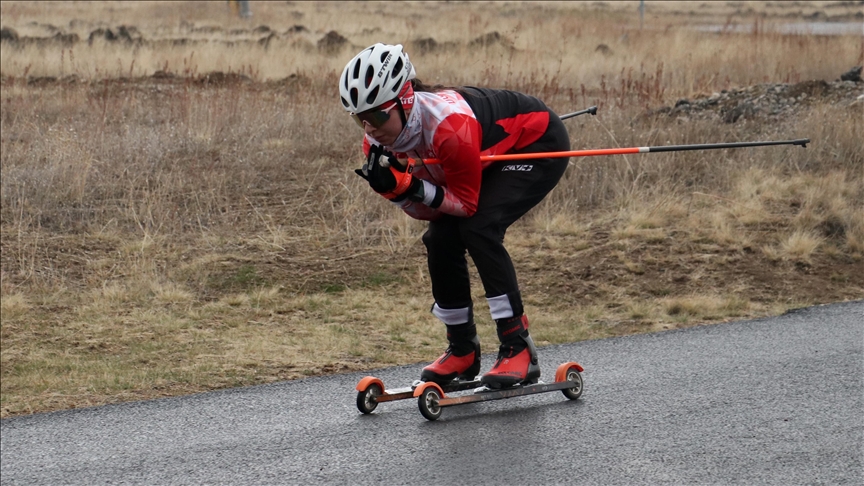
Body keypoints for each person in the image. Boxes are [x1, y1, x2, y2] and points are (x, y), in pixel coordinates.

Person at [339, 43, 570, 389]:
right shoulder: (376, 144)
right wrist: (396, 192)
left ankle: (517, 347)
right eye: (360, 118)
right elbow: (428, 213)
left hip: (536, 143)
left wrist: (408, 188)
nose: (369, 129)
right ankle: (462, 349)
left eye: (376, 116)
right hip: (485, 153)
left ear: (404, 101)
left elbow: (464, 205)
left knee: (479, 228)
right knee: (440, 237)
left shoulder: (449, 127)